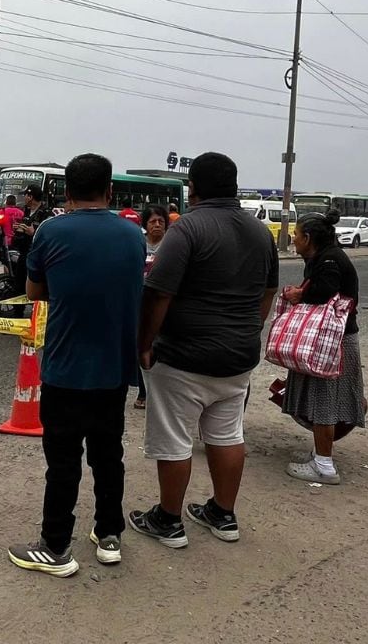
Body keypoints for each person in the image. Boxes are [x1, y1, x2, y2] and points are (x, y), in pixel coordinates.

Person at [130, 152, 278, 548]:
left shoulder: (187, 229)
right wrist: (250, 327)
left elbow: (158, 292)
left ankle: (168, 520)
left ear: (193, 187)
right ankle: (222, 513)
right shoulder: (260, 232)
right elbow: (268, 291)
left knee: (175, 438)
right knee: (227, 433)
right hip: (238, 357)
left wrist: (144, 344)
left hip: (184, 356)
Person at [8, 153, 145, 577]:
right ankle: (108, 536)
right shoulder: (133, 234)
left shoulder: (51, 231)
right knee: (109, 455)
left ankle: (55, 546)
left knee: (63, 459)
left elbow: (34, 291)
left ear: (66, 192)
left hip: (66, 366)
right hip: (113, 367)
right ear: (109, 191)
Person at [276, 211, 365, 485]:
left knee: (324, 401)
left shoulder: (328, 260)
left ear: (308, 238)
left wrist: (299, 294)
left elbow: (327, 293)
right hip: (334, 341)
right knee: (323, 399)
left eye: (297, 233)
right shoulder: (326, 256)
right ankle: (321, 454)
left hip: (331, 343)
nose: (294, 237)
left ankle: (324, 466)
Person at [133, 205, 170, 410]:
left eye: (161, 221)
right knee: (141, 345)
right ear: (145, 225)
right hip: (140, 303)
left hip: (163, 304)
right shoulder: (138, 244)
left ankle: (162, 393)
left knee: (160, 347)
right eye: (153, 221)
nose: (157, 225)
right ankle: (143, 392)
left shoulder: (171, 246)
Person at [10, 184, 52, 294]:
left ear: (31, 197)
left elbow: (49, 236)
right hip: (24, 254)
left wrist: (33, 233)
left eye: (26, 195)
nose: (24, 198)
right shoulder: (26, 211)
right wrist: (18, 229)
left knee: (37, 284)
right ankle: (17, 310)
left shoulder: (46, 213)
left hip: (38, 256)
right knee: (19, 284)